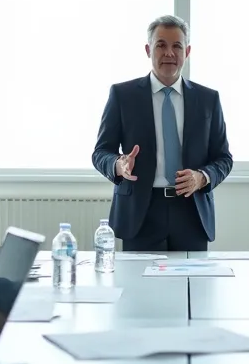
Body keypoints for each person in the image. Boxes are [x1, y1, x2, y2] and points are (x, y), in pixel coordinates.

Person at [91, 15, 233, 251]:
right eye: (161, 45)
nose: (169, 53)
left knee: (191, 287)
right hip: (141, 213)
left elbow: (224, 158)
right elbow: (100, 152)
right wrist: (119, 164)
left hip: (191, 211)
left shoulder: (208, 100)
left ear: (187, 52)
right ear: (148, 50)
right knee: (139, 286)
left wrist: (202, 177)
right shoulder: (122, 95)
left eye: (177, 46)